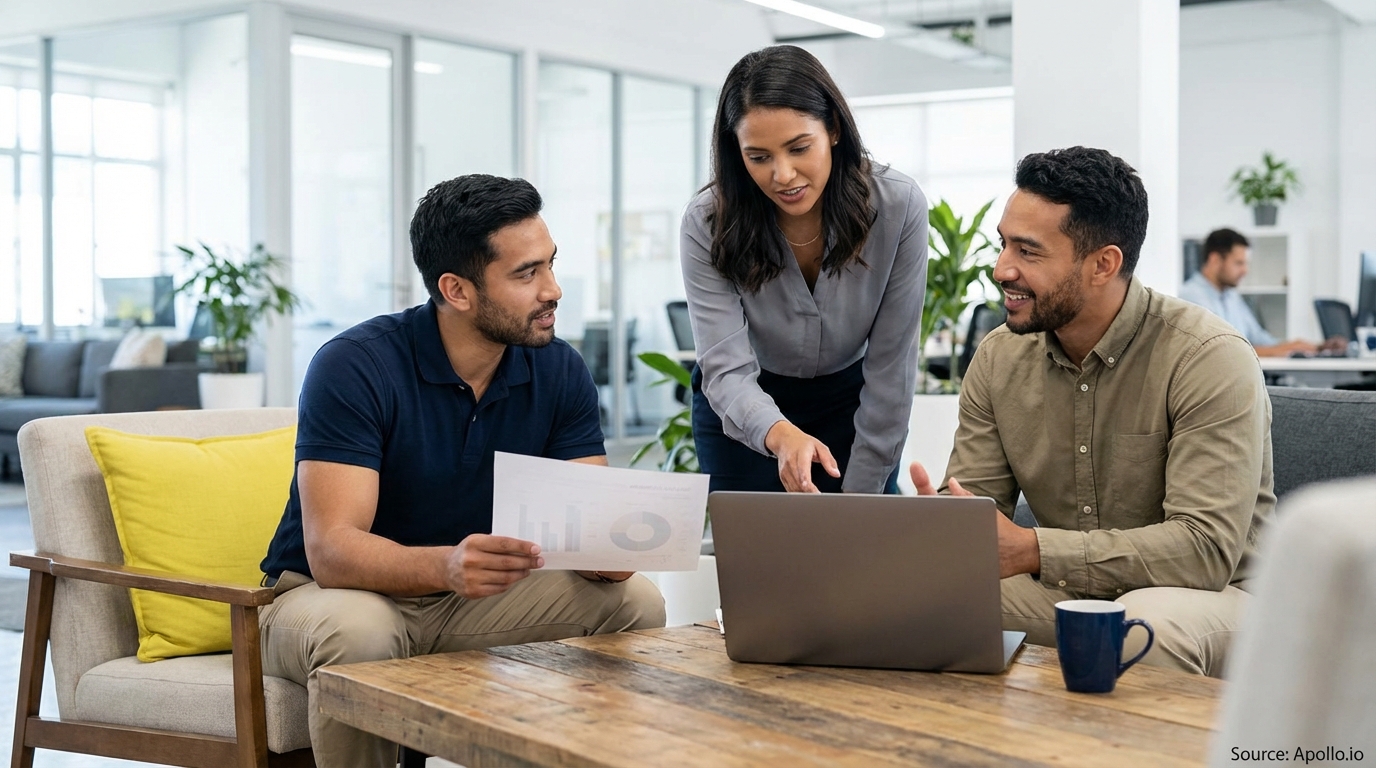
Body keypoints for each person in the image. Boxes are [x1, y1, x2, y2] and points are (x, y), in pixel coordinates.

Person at [258, 174, 666, 766]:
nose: (553, 289)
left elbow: (588, 522)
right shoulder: (354, 366)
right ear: (457, 290)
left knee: (636, 603)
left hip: (469, 599)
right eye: (526, 274)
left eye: (551, 265)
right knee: (362, 631)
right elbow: (333, 550)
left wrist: (607, 551)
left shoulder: (558, 368)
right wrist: (446, 564)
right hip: (327, 596)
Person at [910, 147, 1273, 678]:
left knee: (1138, 628)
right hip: (1067, 596)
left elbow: (1204, 550)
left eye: (1028, 252)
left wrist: (1035, 550)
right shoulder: (998, 356)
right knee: (913, 599)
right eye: (1003, 243)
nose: (1000, 268)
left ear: (1103, 264)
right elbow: (979, 516)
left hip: (1219, 600)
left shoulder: (1207, 355)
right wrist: (930, 531)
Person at [681, 45, 928, 495]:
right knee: (759, 558)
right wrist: (779, 432)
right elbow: (726, 368)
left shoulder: (898, 207)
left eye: (799, 148)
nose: (784, 175)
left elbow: (892, 366)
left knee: (864, 549)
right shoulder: (707, 222)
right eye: (759, 157)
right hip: (745, 404)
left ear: (832, 128)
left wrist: (861, 500)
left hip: (854, 403)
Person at [1178, 227, 1345, 357]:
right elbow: (1223, 351)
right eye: (1239, 263)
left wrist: (1313, 347)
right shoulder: (1192, 297)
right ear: (1215, 259)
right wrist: (1287, 348)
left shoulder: (1231, 296)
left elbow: (1260, 339)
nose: (1245, 270)